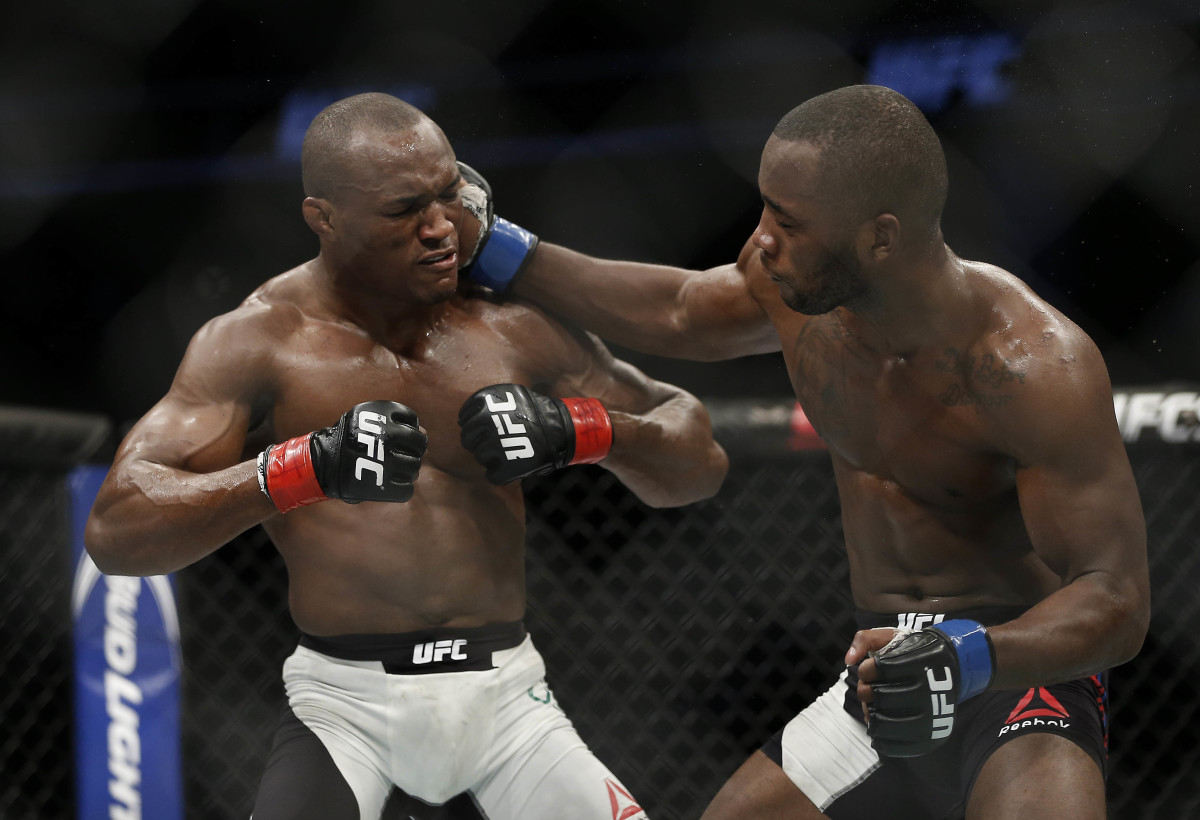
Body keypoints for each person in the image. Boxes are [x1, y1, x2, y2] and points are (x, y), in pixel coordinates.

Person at [461, 84, 1150, 819]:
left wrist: (969, 654)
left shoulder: (1029, 365)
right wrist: (501, 250)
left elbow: (1117, 599)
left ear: (879, 238)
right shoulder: (792, 290)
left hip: (1015, 670)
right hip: (878, 675)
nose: (761, 238)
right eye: (764, 208)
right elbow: (681, 309)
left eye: (788, 221)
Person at [83, 92, 729, 820]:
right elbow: (116, 529)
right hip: (345, 708)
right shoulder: (258, 341)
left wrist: (586, 429)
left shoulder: (510, 325)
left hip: (511, 705)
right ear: (323, 219)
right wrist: (303, 469)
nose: (442, 229)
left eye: (450, 194)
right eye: (403, 210)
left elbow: (698, 455)